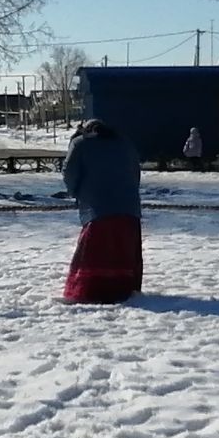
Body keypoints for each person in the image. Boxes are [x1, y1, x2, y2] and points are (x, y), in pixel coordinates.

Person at [62, 119, 144, 303]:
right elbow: (135, 172)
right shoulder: (124, 143)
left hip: (97, 208)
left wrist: (75, 192)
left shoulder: (80, 144)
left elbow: (69, 172)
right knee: (123, 252)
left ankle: (89, 291)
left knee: (94, 253)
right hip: (128, 209)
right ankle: (124, 289)